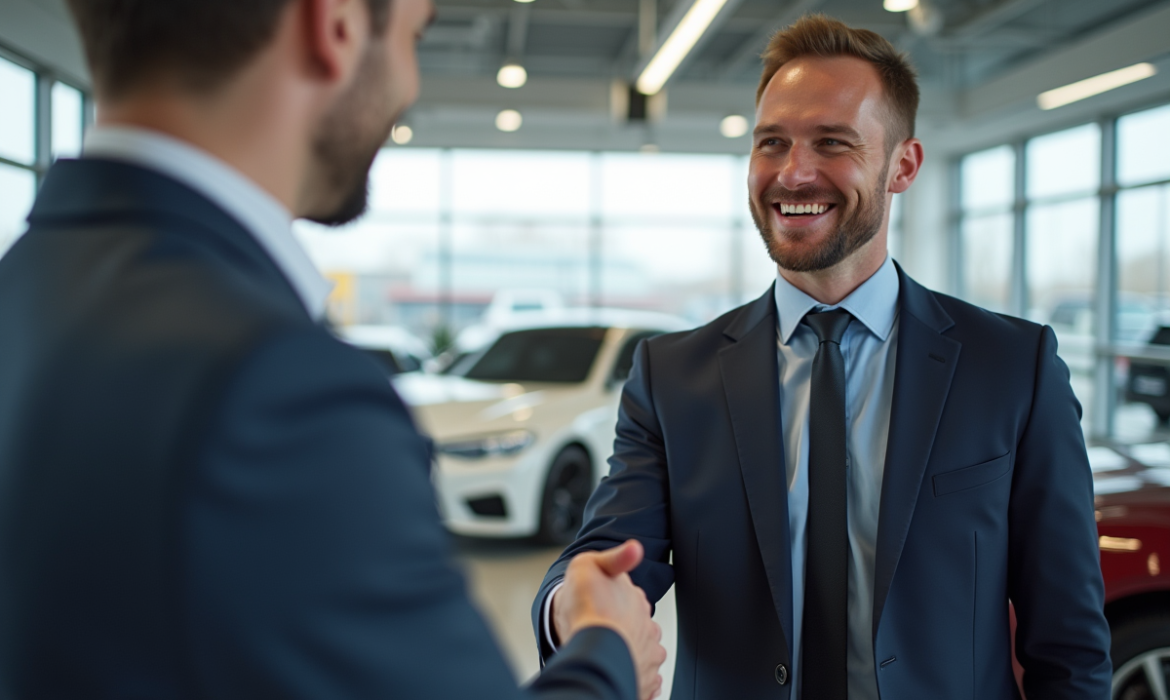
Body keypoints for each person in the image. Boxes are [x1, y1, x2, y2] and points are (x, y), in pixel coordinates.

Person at [0, 0, 667, 698]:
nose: (408, 88)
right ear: (337, 25)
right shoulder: (280, 387)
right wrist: (606, 654)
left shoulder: (28, 285)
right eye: (412, 40)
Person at [534, 14, 1111, 700]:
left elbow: (1069, 643)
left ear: (903, 165)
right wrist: (576, 608)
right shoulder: (672, 377)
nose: (793, 172)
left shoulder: (1014, 367)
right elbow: (606, 555)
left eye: (832, 143)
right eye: (771, 142)